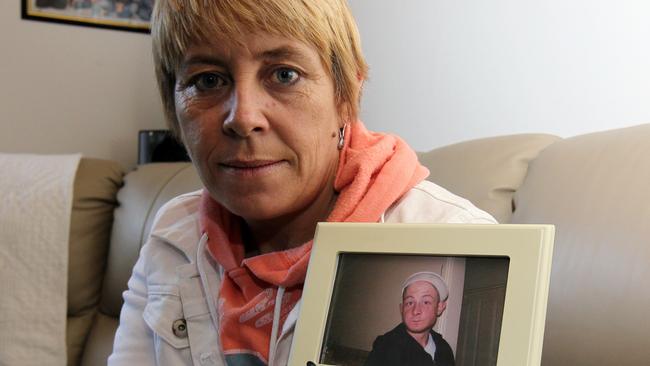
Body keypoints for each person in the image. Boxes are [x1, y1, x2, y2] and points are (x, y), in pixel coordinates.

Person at [108, 1, 496, 365]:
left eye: (283, 74)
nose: (243, 117)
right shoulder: (175, 236)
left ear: (347, 94)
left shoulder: (464, 241)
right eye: (208, 81)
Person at [364, 272, 456, 366]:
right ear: (402, 309)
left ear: (439, 308)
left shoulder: (444, 348)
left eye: (426, 302)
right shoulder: (385, 349)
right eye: (410, 303)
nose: (416, 311)